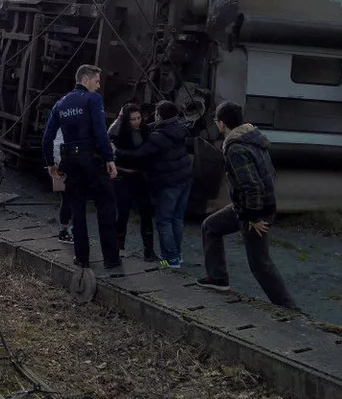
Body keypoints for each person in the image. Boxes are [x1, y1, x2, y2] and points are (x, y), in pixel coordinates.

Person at [197, 102, 298, 309]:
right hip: (249, 207)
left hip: (254, 212)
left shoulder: (236, 148)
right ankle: (218, 279)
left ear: (222, 124)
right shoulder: (253, 139)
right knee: (210, 227)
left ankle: (289, 309)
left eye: (217, 121)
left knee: (260, 264)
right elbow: (269, 176)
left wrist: (253, 218)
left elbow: (252, 186)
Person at [41, 64, 121, 269]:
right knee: (106, 208)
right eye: (96, 81)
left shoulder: (60, 104)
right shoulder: (92, 99)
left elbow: (47, 137)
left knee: (77, 210)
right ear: (85, 80)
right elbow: (100, 129)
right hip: (92, 160)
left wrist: (50, 163)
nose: (98, 86)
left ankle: (82, 258)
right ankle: (111, 259)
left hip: (71, 162)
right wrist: (109, 158)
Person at [114, 101, 193, 268]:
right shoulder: (179, 127)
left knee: (164, 220)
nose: (138, 121)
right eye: (133, 119)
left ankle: (169, 260)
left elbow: (139, 154)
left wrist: (116, 152)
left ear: (160, 116)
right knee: (177, 220)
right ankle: (177, 256)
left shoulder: (158, 136)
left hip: (169, 181)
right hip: (184, 178)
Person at [109, 103, 157, 261]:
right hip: (122, 176)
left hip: (139, 176)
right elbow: (111, 142)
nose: (136, 121)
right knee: (122, 213)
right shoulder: (118, 132)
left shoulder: (144, 130)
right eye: (133, 119)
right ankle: (117, 247)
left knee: (146, 212)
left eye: (138, 118)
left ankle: (148, 251)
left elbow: (142, 153)